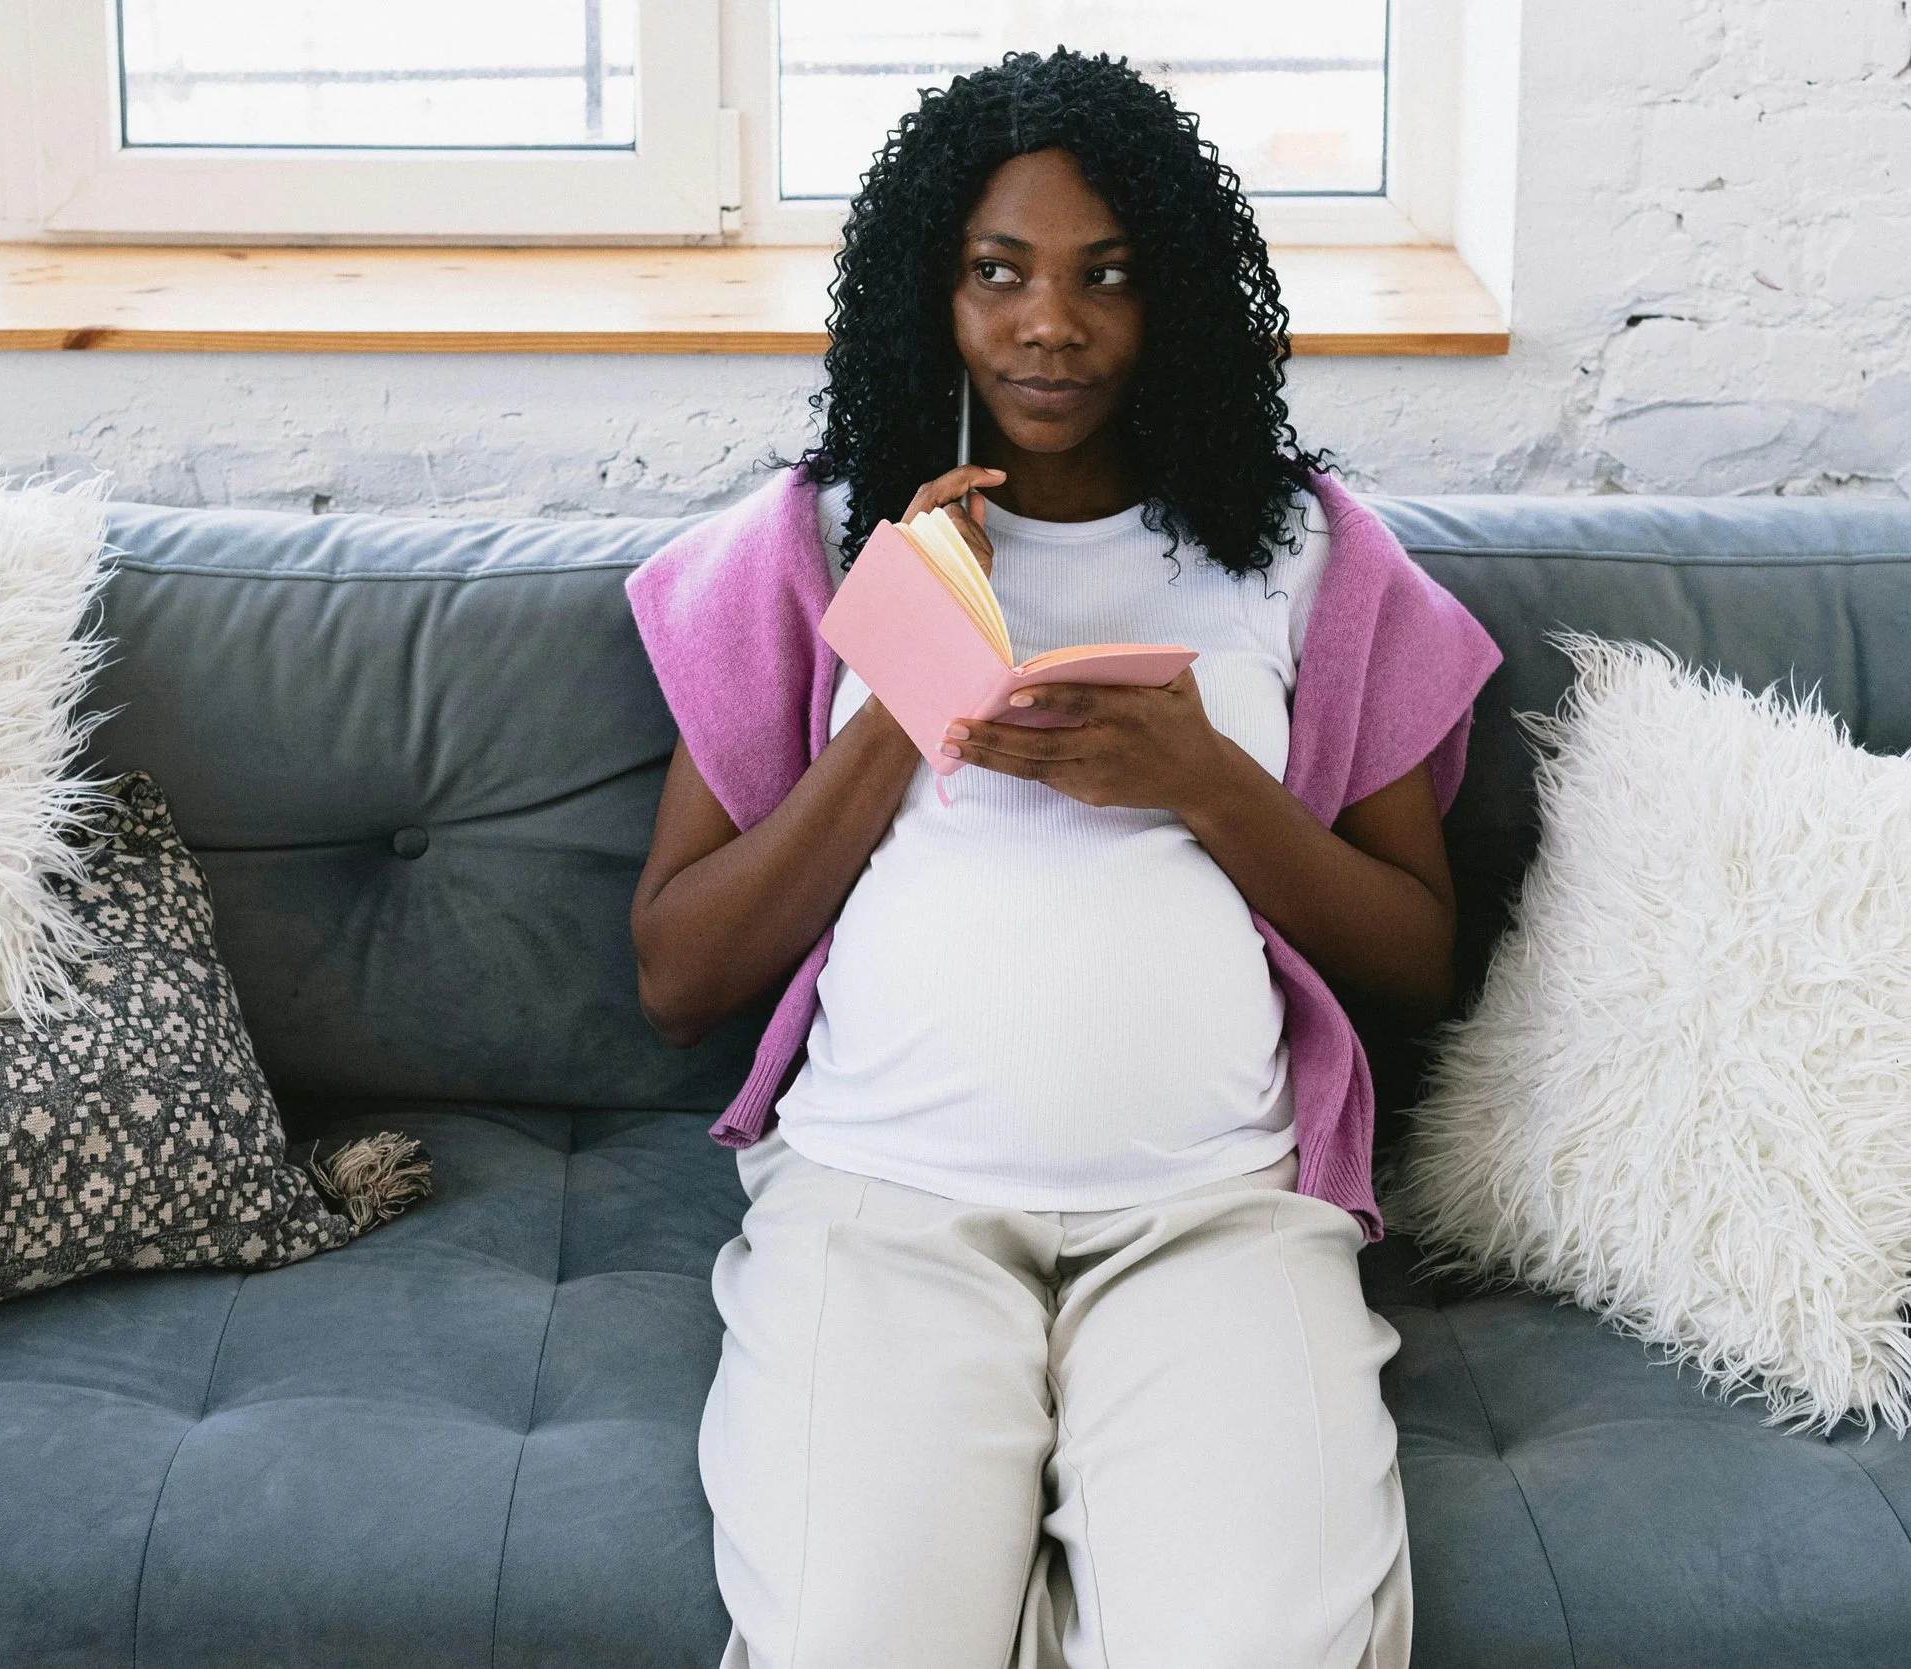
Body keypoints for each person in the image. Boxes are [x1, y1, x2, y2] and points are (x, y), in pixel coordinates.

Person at [624, 49, 1500, 1669]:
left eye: (1107, 277)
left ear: (1174, 303)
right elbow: (681, 975)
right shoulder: (818, 548)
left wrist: (1209, 787)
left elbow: (1413, 961)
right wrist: (903, 687)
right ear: (928, 296)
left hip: (1215, 1219)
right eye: (998, 272)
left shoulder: (1299, 554)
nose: (1051, 322)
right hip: (883, 1212)